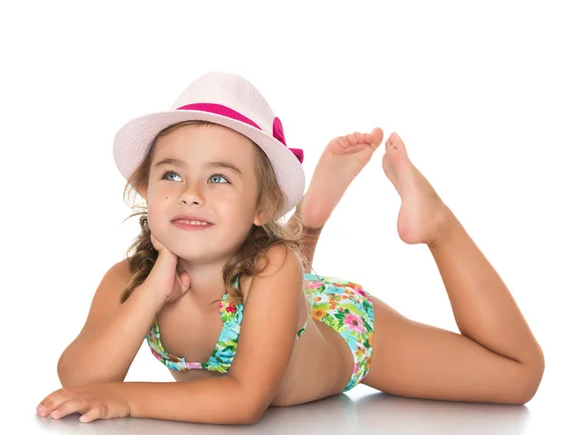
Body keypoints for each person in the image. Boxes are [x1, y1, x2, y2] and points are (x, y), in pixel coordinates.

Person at [36, 72, 545, 425]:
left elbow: (244, 400)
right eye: (172, 173)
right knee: (279, 275)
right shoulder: (126, 279)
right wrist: (149, 294)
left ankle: (437, 224)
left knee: (519, 376)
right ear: (147, 189)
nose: (191, 192)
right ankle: (312, 219)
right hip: (282, 300)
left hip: (340, 329)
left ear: (262, 207)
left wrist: (125, 400)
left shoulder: (273, 266)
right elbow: (79, 380)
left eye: (218, 177)